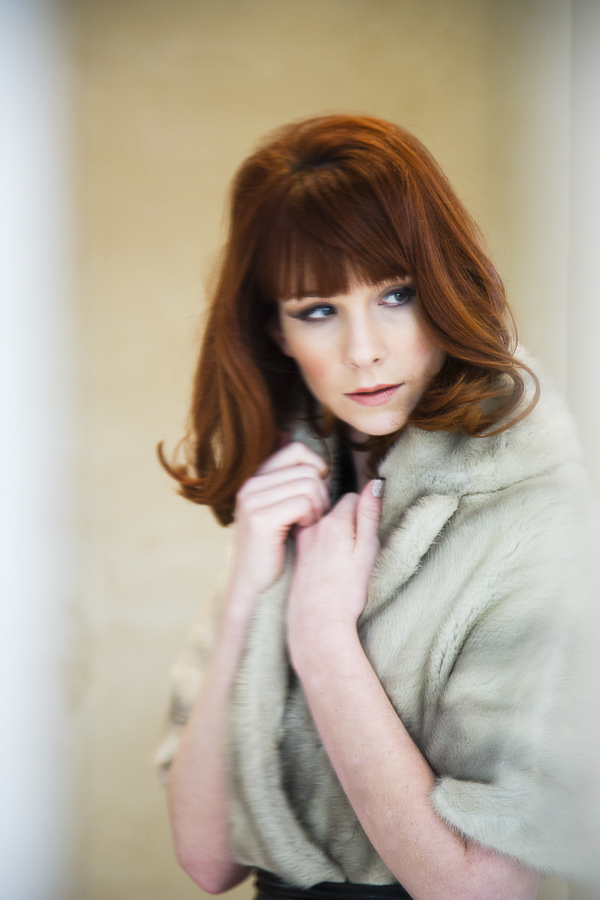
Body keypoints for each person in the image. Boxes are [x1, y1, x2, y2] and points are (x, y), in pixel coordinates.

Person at [155, 114, 600, 900]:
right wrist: (249, 588)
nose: (364, 350)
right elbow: (207, 858)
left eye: (396, 294)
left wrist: (323, 641)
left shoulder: (532, 511)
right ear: (275, 331)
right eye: (318, 310)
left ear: (447, 287)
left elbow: (484, 891)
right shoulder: (296, 490)